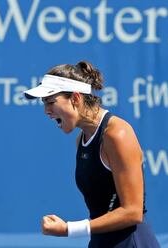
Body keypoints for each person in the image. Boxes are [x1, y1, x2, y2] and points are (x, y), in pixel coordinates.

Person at [24, 61, 160, 248]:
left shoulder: (117, 134)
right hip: (101, 242)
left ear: (76, 99)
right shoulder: (81, 139)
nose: (47, 111)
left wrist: (68, 229)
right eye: (44, 103)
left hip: (132, 243)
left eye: (51, 102)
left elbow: (133, 211)